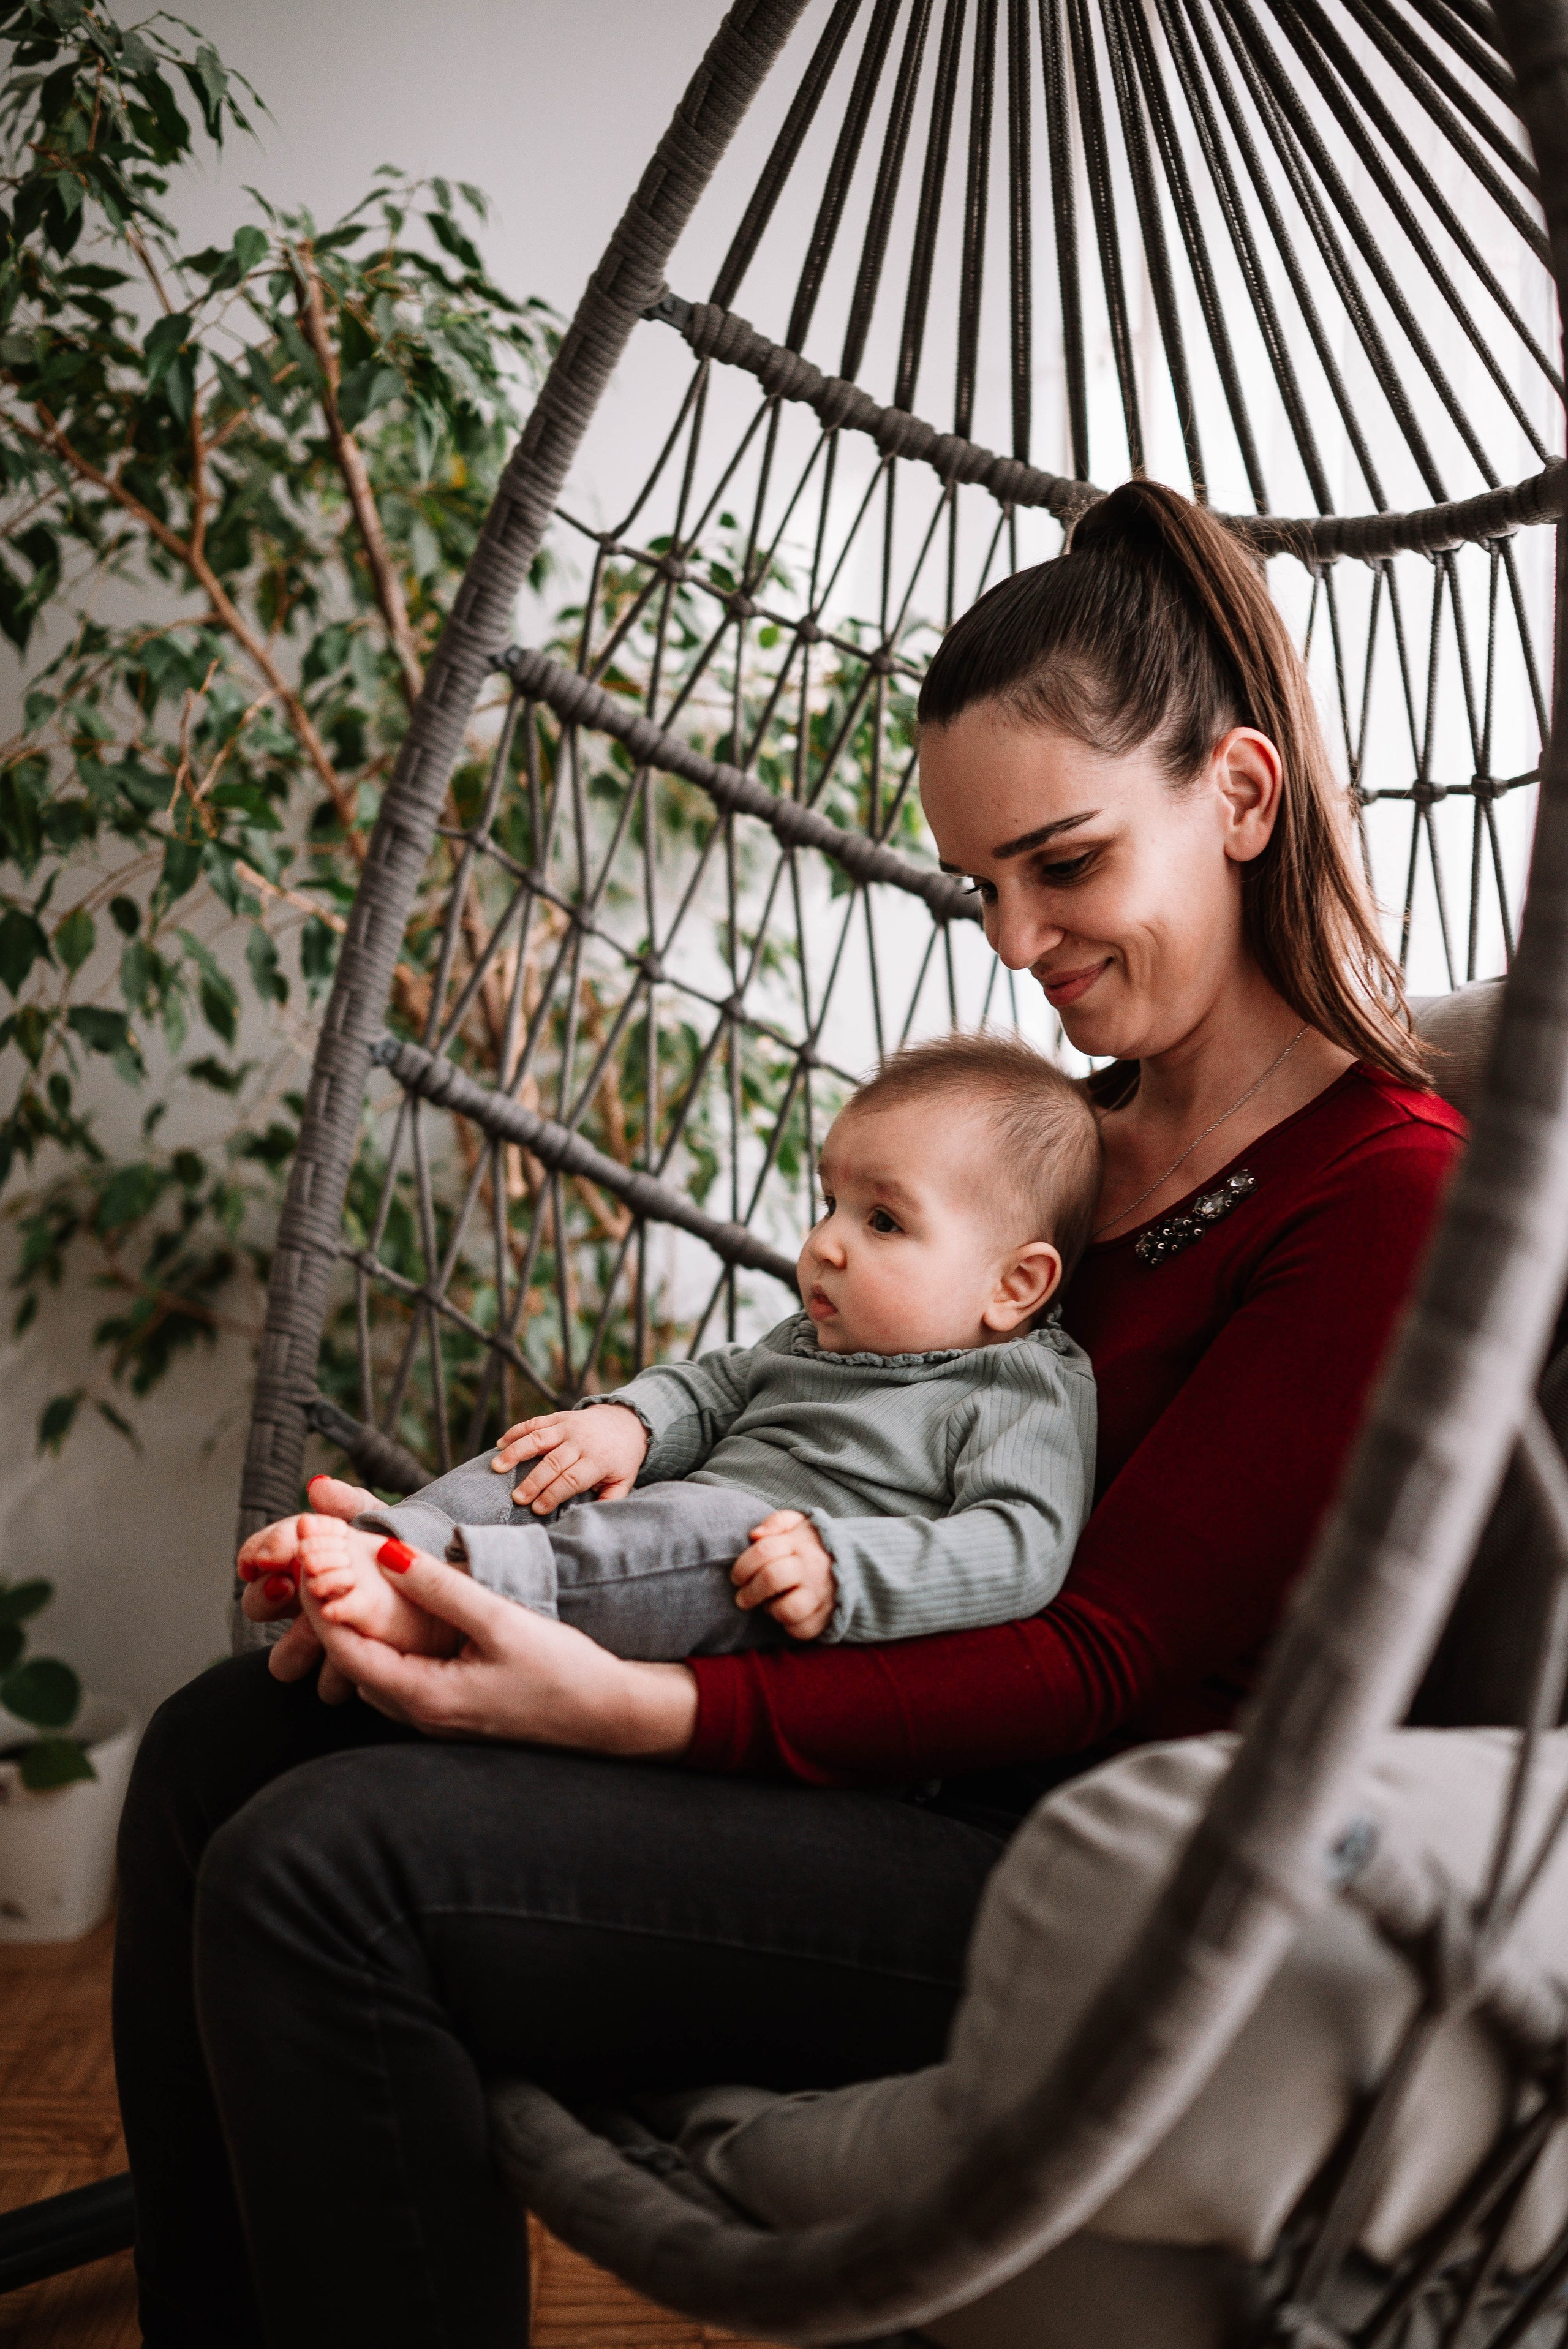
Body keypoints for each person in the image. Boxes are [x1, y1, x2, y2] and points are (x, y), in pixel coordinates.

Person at [113, 481, 1465, 2349]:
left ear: (1240, 797)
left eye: (1062, 866)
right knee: (217, 1740)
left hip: (1042, 1861)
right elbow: (817, 1416)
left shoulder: (1383, 1188)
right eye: (982, 886)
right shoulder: (1062, 1152)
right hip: (864, 1750)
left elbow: (1094, 1661)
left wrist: (637, 1709)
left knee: (323, 1867)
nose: (1012, 942)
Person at [238, 1033, 1099, 1662]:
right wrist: (630, 1426)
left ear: (1014, 1286)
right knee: (545, 1456)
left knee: (717, 1528)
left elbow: (1024, 1543)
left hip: (776, 1598)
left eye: (882, 1220)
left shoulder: (1020, 1389)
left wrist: (846, 1568)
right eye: (828, 1202)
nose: (825, 1244)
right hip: (653, 1551)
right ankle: (400, 1539)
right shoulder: (816, 1335)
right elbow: (716, 1387)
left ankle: (448, 1598)